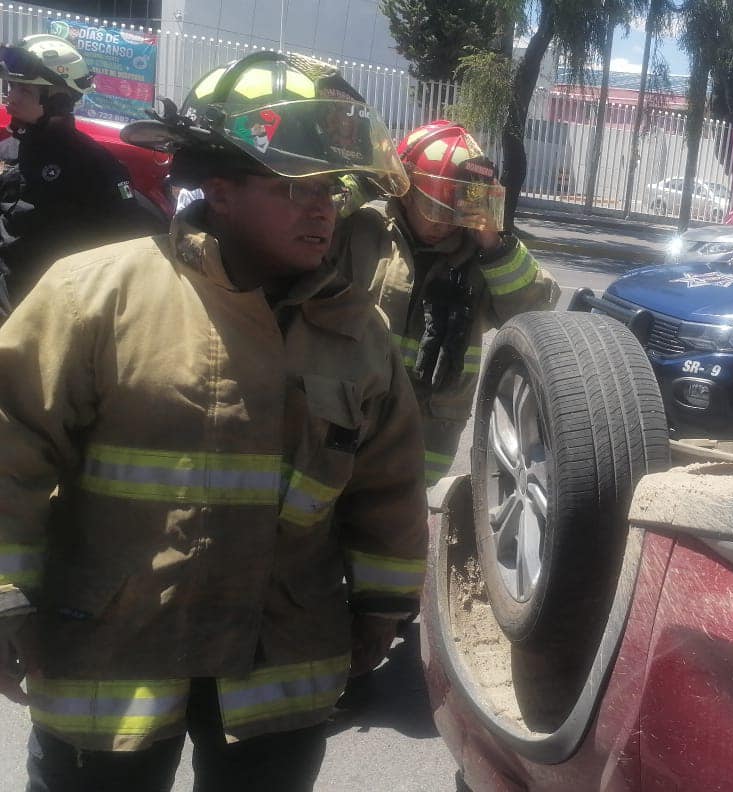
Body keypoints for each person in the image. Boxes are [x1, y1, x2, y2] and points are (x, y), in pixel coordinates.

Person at [0, 51, 426, 792]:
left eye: (329, 188)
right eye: (293, 187)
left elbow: (388, 483)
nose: (321, 208)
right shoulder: (95, 297)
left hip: (280, 668)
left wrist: (384, 605)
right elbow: (10, 452)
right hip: (113, 658)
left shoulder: (358, 335)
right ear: (221, 191)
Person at [332, 120, 559, 484]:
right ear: (404, 189)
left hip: (425, 443)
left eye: (453, 210)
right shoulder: (362, 233)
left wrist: (494, 245)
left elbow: (535, 313)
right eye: (434, 207)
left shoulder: (478, 260)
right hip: (344, 424)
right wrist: (364, 180)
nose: (443, 224)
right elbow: (302, 222)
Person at [0, 34, 162, 305]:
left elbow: (121, 251)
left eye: (25, 90)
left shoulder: (94, 166)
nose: (11, 95)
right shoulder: (10, 150)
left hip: (47, 311)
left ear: (59, 102)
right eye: (14, 84)